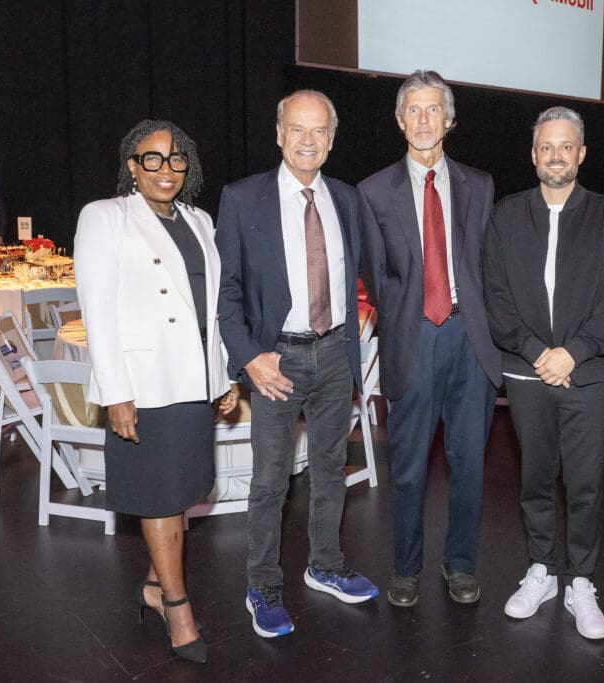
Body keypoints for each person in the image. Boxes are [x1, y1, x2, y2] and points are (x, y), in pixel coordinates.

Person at [74, 120, 239, 664]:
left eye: (176, 161)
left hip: (193, 380)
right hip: (144, 387)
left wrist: (226, 375)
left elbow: (212, 310)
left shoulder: (200, 219)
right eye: (152, 159)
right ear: (131, 165)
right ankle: (177, 607)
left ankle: (150, 585)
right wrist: (116, 392)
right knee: (161, 498)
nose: (165, 171)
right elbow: (97, 313)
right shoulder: (105, 217)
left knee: (184, 490)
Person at [216, 89, 378, 639]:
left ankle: (325, 565)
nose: (308, 141)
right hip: (274, 359)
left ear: (331, 141)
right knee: (269, 481)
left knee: (332, 468)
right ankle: (261, 584)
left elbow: (363, 271)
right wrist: (249, 359)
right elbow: (227, 295)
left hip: (335, 351)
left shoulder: (347, 199)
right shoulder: (242, 199)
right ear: (279, 133)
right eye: (297, 129)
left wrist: (361, 315)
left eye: (319, 132)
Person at [483, 106, 604, 640]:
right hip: (527, 376)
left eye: (566, 146)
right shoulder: (505, 216)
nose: (555, 155)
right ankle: (543, 571)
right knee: (535, 479)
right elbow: (496, 299)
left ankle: (582, 582)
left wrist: (572, 353)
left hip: (588, 374)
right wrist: (536, 352)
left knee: (587, 483)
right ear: (533, 155)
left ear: (582, 154)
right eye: (546, 146)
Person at [358, 70, 501, 608]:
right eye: (413, 110)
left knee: (470, 465)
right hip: (412, 341)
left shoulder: (480, 185)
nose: (423, 119)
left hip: (471, 341)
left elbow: (487, 264)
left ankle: (460, 564)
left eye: (432, 109)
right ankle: (406, 567)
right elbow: (375, 275)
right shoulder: (372, 192)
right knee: (410, 467)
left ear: (449, 119)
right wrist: (410, 317)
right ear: (400, 121)